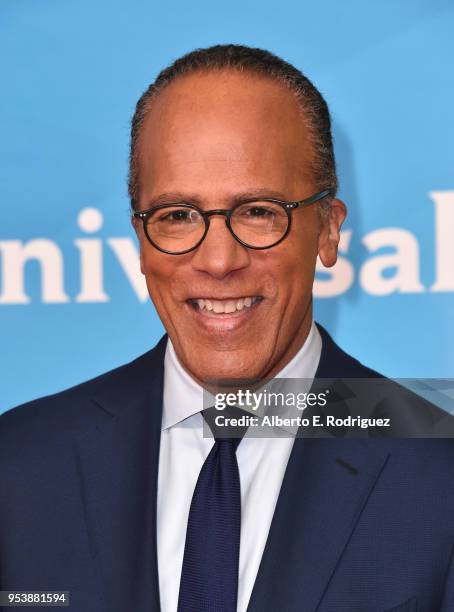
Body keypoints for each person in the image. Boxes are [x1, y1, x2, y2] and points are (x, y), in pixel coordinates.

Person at [1, 44, 453, 612]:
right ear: (140, 241)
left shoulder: (440, 473)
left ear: (328, 231)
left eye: (259, 211)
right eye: (177, 216)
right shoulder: (18, 466)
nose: (218, 260)